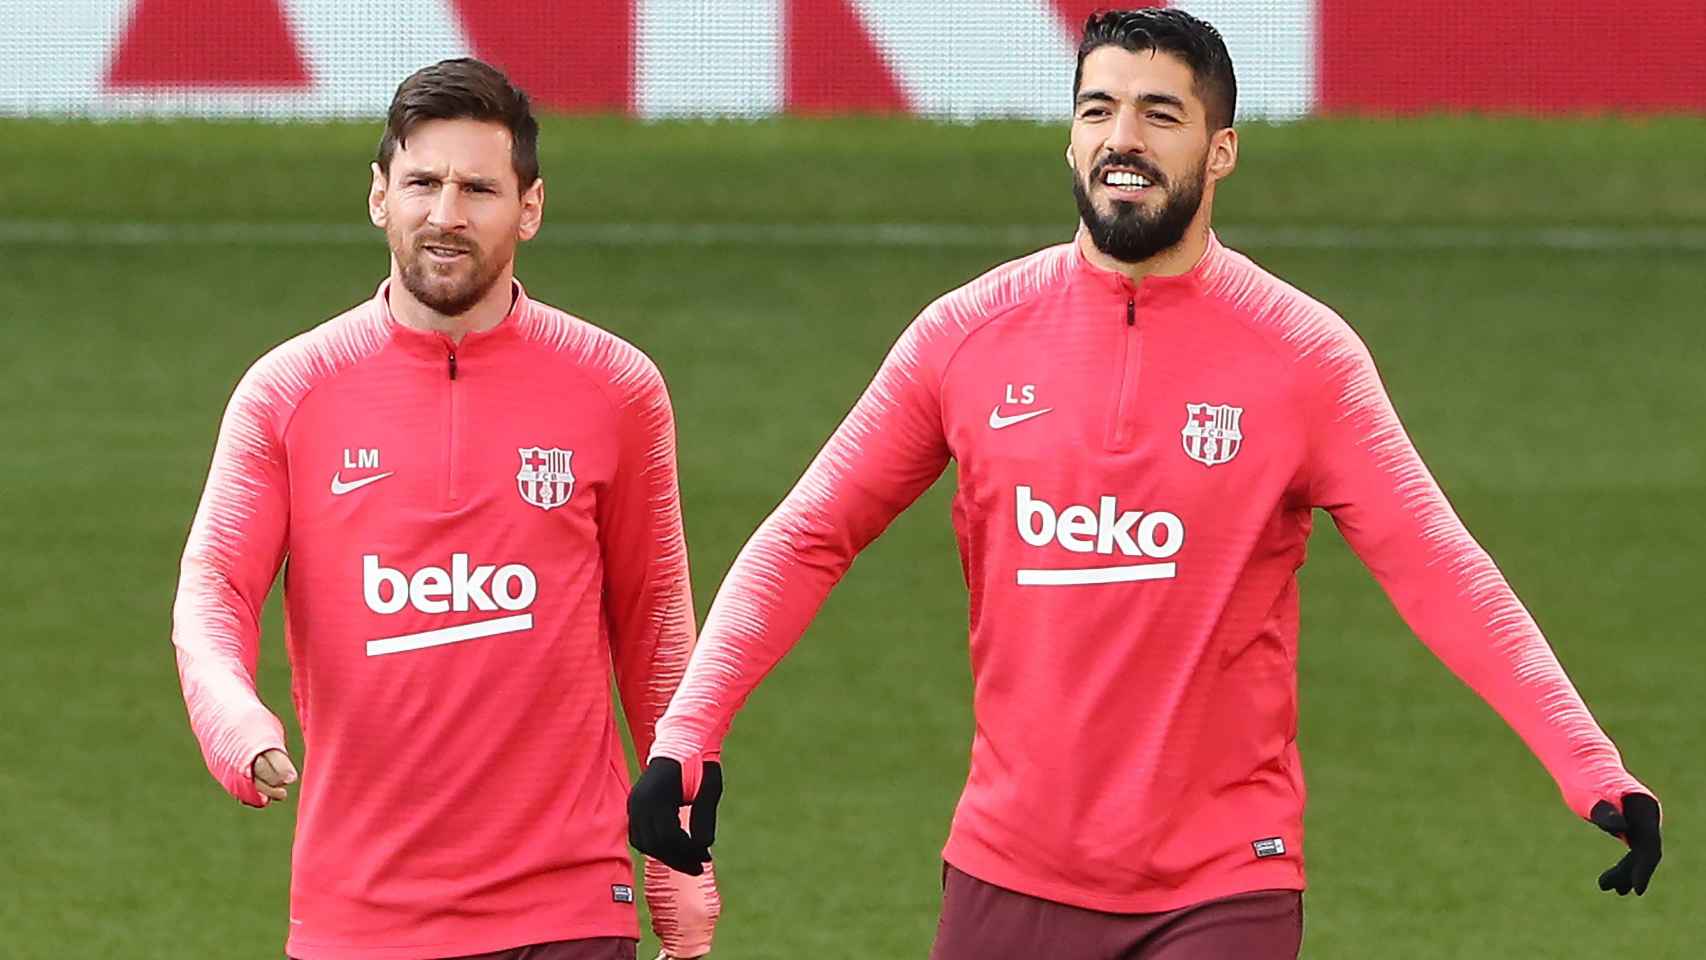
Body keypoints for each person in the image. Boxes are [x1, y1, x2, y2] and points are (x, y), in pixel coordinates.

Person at [626, 10, 1660, 959]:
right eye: (1097, 109)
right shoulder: (963, 337)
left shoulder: (1302, 357)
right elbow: (812, 532)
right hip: (1006, 870)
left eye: (1158, 114)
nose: (1122, 137)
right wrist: (690, 729)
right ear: (1071, 139)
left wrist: (1587, 763)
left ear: (1218, 152)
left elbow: (1435, 564)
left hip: (1222, 882)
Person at [172, 58, 718, 960]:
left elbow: (657, 638)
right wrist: (234, 722)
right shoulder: (289, 390)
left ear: (530, 208)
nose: (447, 215)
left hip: (569, 909)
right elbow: (212, 590)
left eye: (479, 188)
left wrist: (680, 877)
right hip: (360, 916)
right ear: (380, 195)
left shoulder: (616, 388)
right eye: (423, 182)